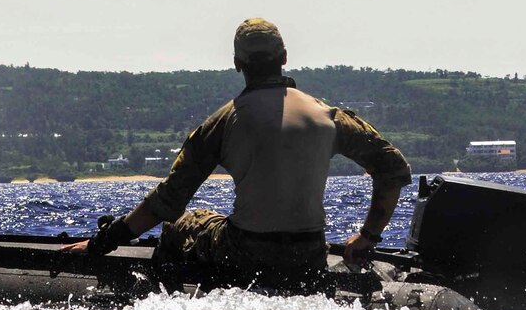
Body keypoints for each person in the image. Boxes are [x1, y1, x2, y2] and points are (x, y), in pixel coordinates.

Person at [71, 18, 411, 290]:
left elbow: (167, 201)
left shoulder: (223, 121)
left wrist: (104, 241)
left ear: (237, 63)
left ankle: (162, 299)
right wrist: (369, 235)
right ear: (284, 57)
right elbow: (391, 169)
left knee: (180, 223)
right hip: (308, 255)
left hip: (246, 252)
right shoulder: (328, 116)